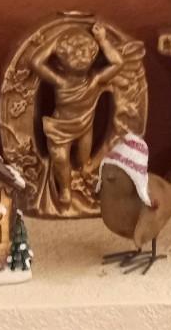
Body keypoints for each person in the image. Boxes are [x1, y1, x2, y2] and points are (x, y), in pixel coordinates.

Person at [30, 24, 125, 207]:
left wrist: (102, 40)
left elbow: (118, 63)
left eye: (85, 53)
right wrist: (55, 42)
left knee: (82, 162)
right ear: (61, 62)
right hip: (60, 129)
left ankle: (82, 182)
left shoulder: (94, 79)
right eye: (73, 55)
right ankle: (65, 189)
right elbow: (36, 62)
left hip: (84, 127)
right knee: (60, 159)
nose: (80, 58)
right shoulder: (60, 81)